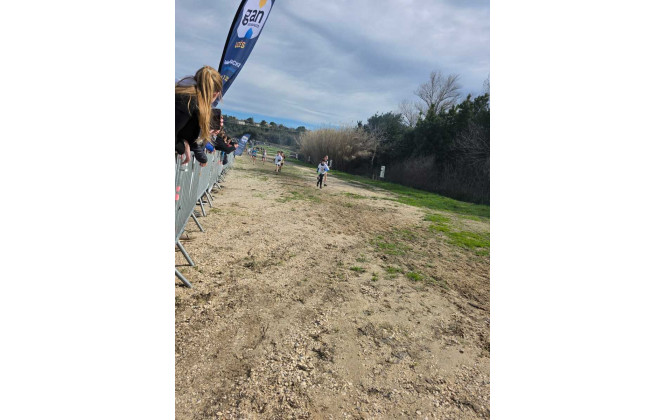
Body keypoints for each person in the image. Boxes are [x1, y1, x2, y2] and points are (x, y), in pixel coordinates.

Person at [175, 66, 223, 167]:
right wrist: (182, 145)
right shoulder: (187, 102)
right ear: (215, 94)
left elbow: (184, 133)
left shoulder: (186, 96)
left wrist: (206, 132)